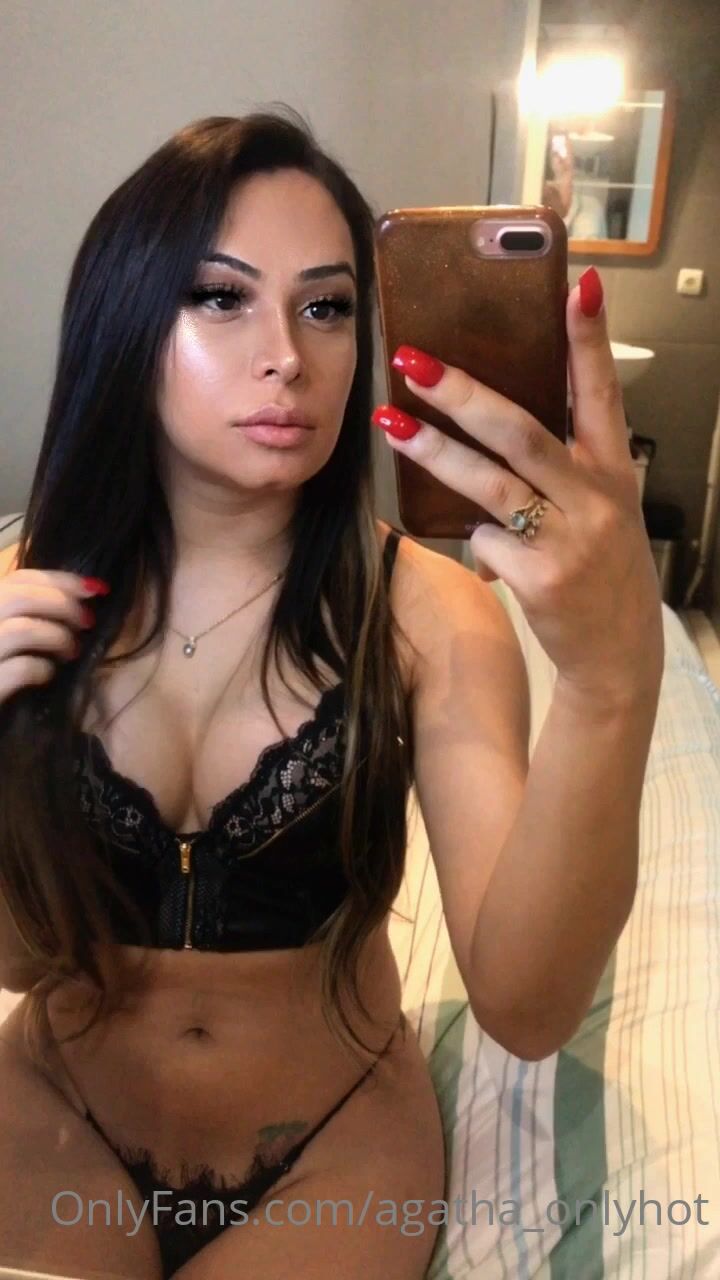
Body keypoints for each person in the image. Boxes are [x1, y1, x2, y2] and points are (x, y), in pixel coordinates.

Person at [0, 108, 663, 1279]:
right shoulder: (21, 595)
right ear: (127, 316)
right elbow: (16, 956)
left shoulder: (429, 616)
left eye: (327, 306)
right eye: (221, 296)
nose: (287, 356)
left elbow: (526, 1005)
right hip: (59, 1110)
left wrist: (611, 683)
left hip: (331, 1143)